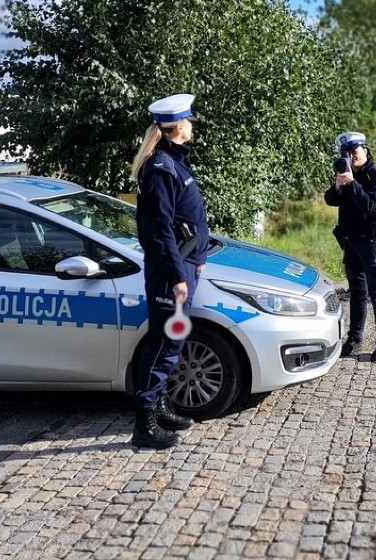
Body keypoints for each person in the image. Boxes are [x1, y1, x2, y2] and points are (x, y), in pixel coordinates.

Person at [130, 93, 210, 449]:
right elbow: (160, 229)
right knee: (164, 341)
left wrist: (198, 257)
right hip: (169, 272)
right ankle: (144, 424)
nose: (192, 126)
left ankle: (160, 407)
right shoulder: (161, 168)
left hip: (183, 266)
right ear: (178, 125)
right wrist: (178, 276)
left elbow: (185, 220)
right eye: (189, 120)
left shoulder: (174, 162)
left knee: (173, 340)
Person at [324, 131, 376, 362]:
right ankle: (354, 339)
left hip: (371, 243)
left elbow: (370, 205)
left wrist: (352, 183)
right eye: (347, 153)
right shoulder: (346, 173)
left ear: (365, 149)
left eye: (355, 151)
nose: (351, 157)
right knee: (357, 292)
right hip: (351, 243)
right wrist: (338, 184)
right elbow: (331, 200)